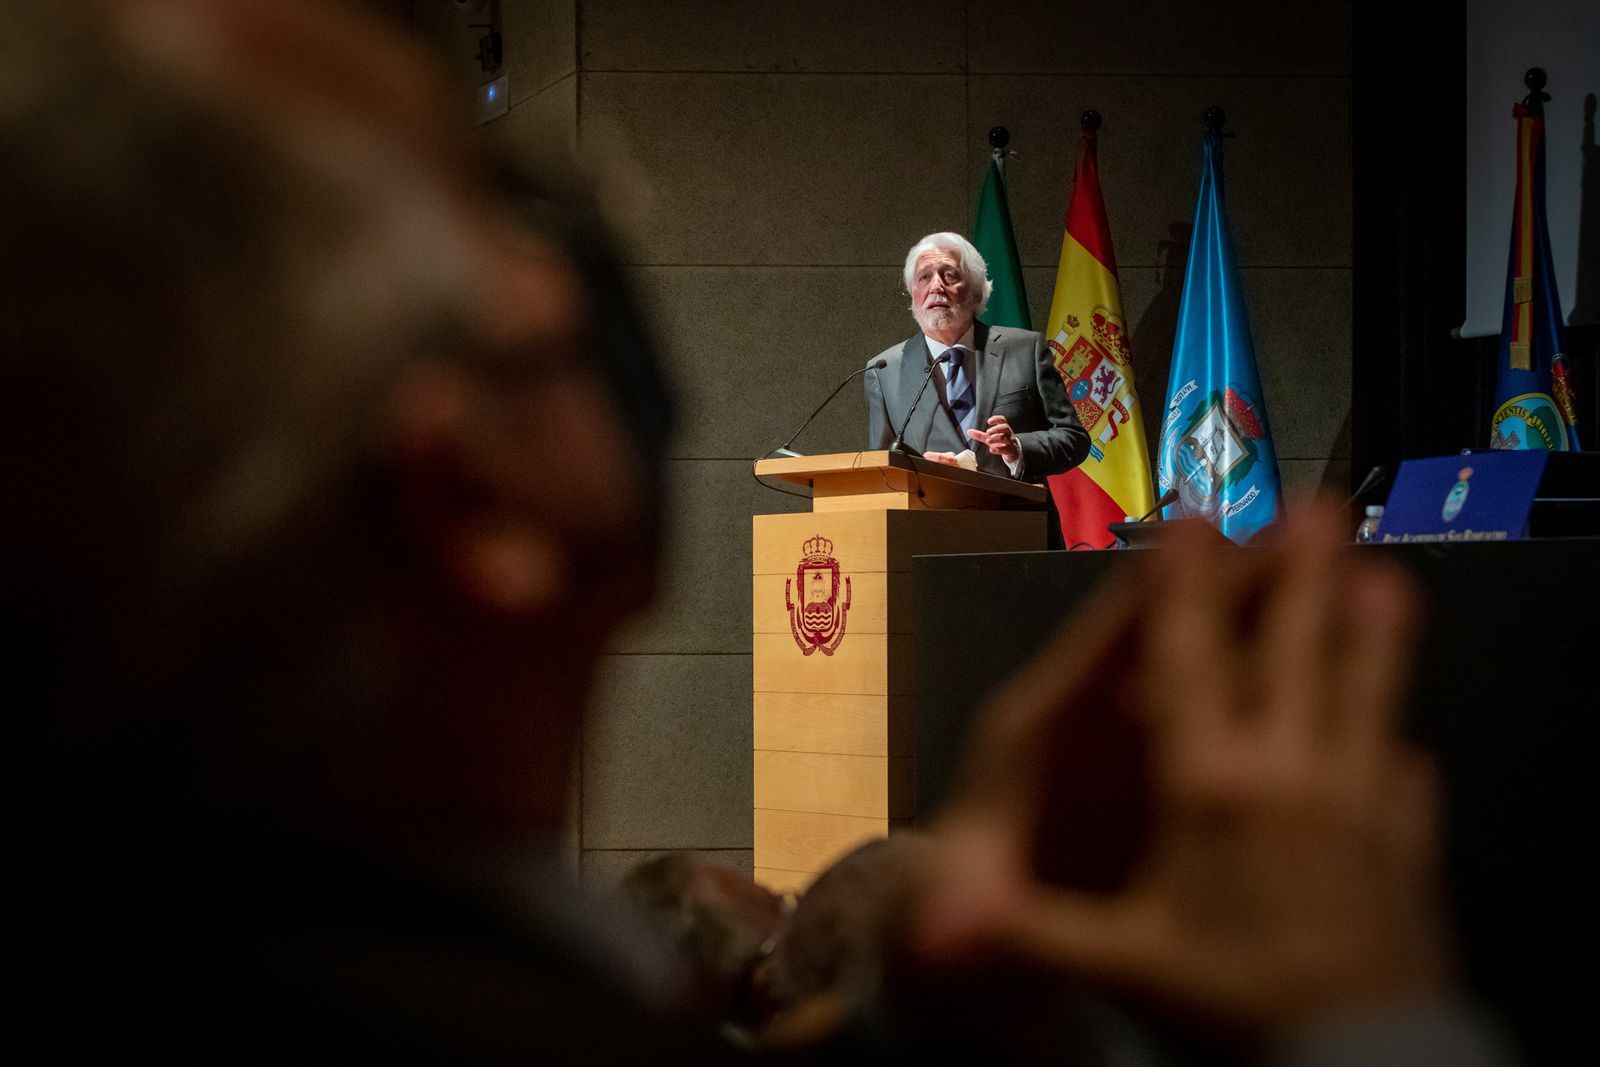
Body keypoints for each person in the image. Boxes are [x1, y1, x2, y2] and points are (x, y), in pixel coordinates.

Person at [864, 232, 1089, 481]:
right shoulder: (884, 370)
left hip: (1018, 515)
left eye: (949, 275)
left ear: (976, 291)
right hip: (930, 516)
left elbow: (1073, 438)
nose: (936, 286)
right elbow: (882, 464)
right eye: (924, 277)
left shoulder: (1025, 349)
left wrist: (1018, 449)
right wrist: (920, 470)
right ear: (912, 293)